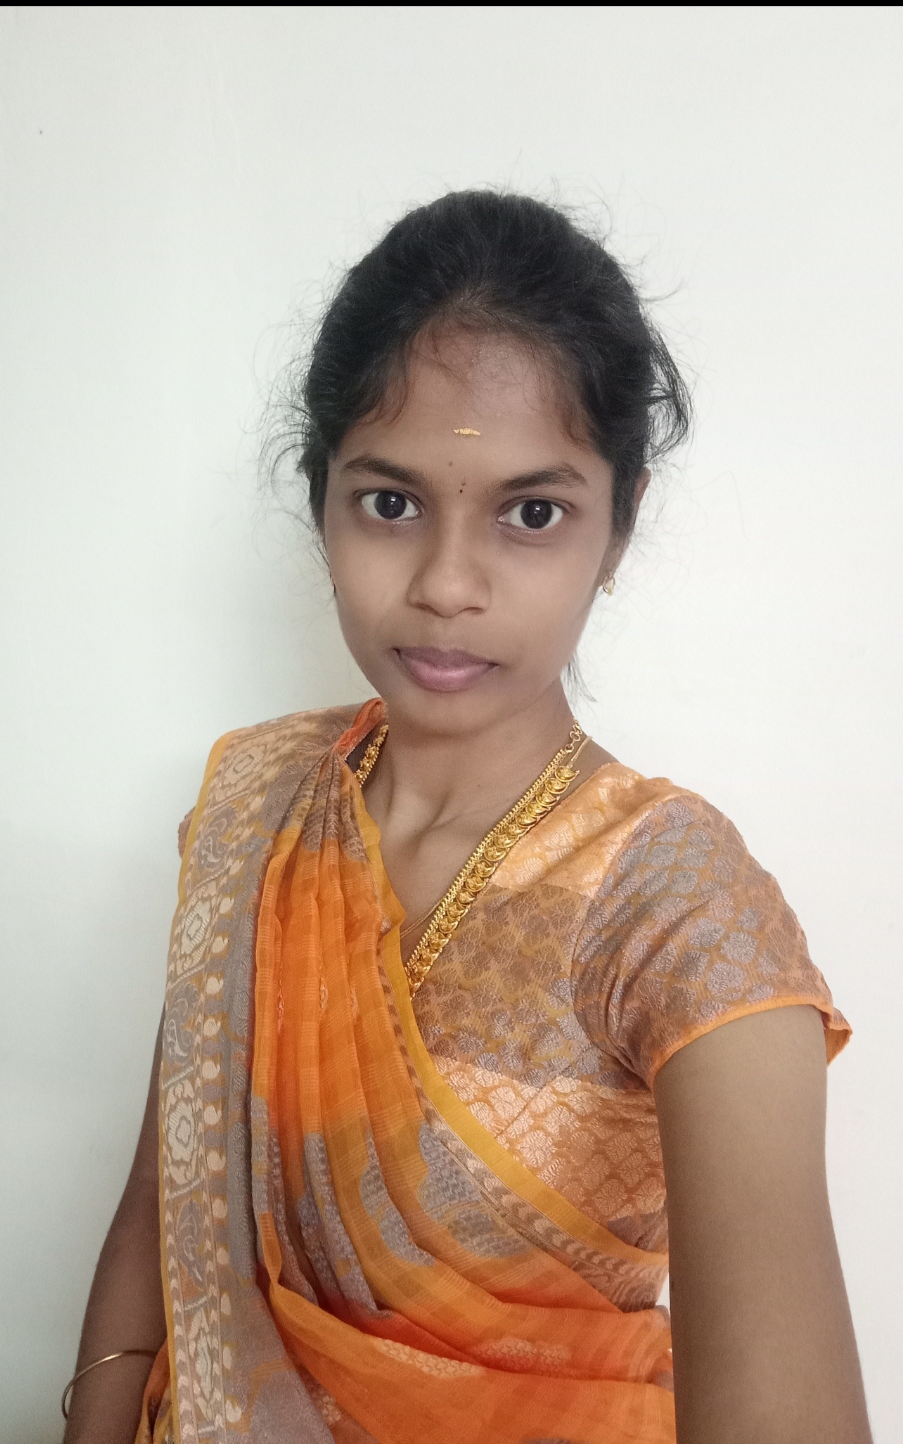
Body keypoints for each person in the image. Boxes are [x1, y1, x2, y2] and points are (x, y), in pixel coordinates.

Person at [60, 191, 870, 1444]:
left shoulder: (679, 904)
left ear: (619, 527)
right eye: (391, 503)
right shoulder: (257, 811)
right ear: (322, 500)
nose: (446, 583)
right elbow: (159, 1221)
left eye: (531, 512)